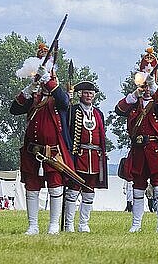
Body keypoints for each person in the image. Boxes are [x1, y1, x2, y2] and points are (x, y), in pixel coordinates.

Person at [10, 42, 74, 235]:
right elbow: (14, 109)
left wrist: (48, 80)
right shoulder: (34, 97)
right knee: (32, 188)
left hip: (53, 151)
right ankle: (33, 225)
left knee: (56, 186)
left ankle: (54, 225)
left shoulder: (58, 97)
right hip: (32, 150)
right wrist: (30, 88)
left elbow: (64, 101)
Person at [115, 47, 158, 233]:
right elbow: (119, 110)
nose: (145, 90)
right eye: (142, 85)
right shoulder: (134, 101)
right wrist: (133, 95)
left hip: (155, 149)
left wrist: (153, 87)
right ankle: (136, 224)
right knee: (137, 188)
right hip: (138, 150)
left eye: (147, 86)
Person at [63, 81, 108, 233]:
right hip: (78, 155)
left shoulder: (98, 113)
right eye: (86, 93)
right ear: (80, 94)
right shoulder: (72, 110)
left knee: (89, 192)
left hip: (94, 157)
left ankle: (83, 224)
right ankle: (69, 224)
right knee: (73, 191)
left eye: (91, 93)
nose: (88, 96)